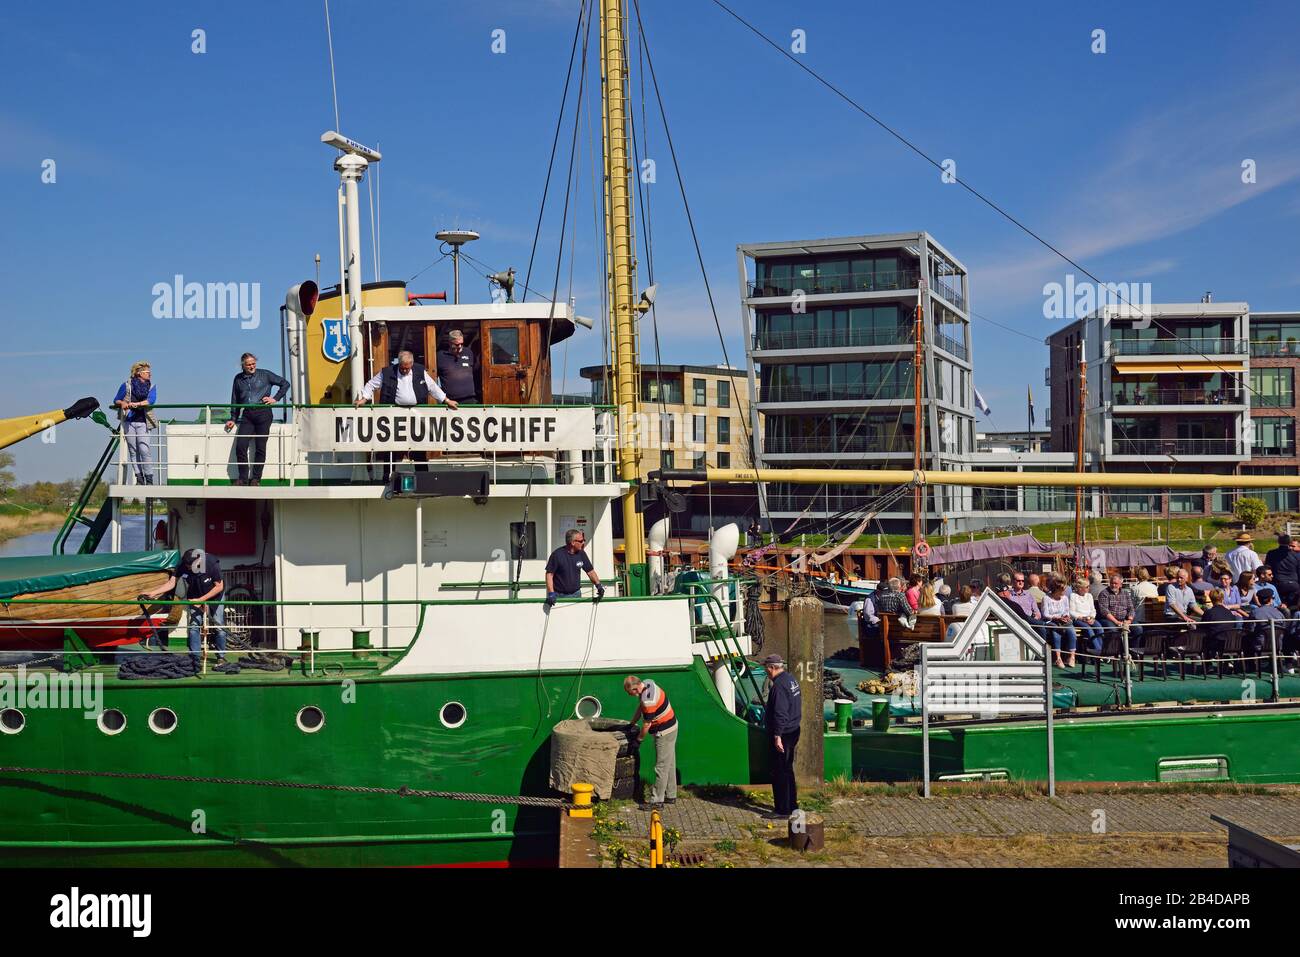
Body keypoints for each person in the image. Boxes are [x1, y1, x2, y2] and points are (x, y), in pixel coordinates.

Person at [139, 548, 228, 668]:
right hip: (195, 596)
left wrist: (202, 601)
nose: (188, 568)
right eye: (187, 565)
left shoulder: (211, 563)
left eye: (190, 566)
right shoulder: (183, 565)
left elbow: (219, 587)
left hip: (214, 596)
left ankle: (221, 657)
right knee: (193, 627)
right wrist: (153, 593)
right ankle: (195, 658)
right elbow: (172, 583)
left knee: (219, 627)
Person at [223, 353, 290, 486]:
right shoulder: (238, 379)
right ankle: (242, 478)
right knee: (241, 446)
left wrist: (275, 398)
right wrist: (233, 418)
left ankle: (256, 479)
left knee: (260, 447)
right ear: (243, 365)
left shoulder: (265, 374)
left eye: (253, 363)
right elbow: (235, 399)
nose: (252, 366)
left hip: (263, 414)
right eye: (248, 364)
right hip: (247, 415)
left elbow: (285, 384)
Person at [624, 675, 677, 809]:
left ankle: (657, 802)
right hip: (672, 725)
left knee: (661, 767)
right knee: (669, 763)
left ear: (636, 688)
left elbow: (646, 725)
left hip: (664, 731)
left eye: (629, 693)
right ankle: (671, 795)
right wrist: (631, 724)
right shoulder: (648, 683)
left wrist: (638, 740)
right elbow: (640, 708)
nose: (629, 695)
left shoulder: (648, 701)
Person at [762, 654, 802, 819]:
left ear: (772, 667)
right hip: (793, 729)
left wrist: (777, 735)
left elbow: (780, 713)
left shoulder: (778, 687)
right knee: (788, 770)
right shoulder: (791, 680)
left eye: (766, 668)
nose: (766, 671)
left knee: (779, 772)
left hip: (784, 734)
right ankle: (792, 805)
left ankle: (782, 810)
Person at [112, 360, 157, 485]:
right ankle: (139, 477)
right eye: (147, 372)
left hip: (143, 421)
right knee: (133, 450)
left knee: (144, 449)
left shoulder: (151, 386)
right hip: (129, 420)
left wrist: (136, 404)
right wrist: (123, 403)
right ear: (139, 373)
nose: (150, 374)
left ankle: (149, 478)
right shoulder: (127, 385)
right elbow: (116, 400)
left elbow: (151, 400)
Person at [544, 528, 604, 606]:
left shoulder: (581, 554)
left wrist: (599, 586)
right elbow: (549, 575)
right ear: (572, 542)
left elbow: (590, 572)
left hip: (576, 595)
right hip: (559, 596)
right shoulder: (557, 555)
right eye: (581, 541)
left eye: (583, 540)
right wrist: (551, 593)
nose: (583, 542)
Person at [1038, 578, 1077, 668]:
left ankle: (1072, 657)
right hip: (1051, 621)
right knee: (1056, 633)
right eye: (1063, 589)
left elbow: (1066, 611)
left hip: (1063, 621)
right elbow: (1045, 614)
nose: (1065, 591)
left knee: (1071, 631)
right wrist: (1056, 617)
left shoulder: (1065, 598)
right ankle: (1058, 658)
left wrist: (1065, 616)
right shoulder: (1046, 598)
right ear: (1056, 589)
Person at [1097, 572, 1143, 646]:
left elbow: (1131, 608)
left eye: (1116, 583)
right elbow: (1104, 611)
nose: (1113, 585)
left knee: (1138, 628)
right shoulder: (1104, 593)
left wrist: (1129, 620)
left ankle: (1133, 650)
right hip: (1109, 619)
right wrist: (1117, 622)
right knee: (1113, 630)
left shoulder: (1125, 593)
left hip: (1124, 619)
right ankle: (1114, 651)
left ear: (1120, 584)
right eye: (1112, 583)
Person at [436, 329, 480, 404]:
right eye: (456, 344)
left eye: (461, 344)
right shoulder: (440, 356)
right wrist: (445, 399)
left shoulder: (469, 352)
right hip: (451, 401)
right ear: (450, 343)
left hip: (470, 399)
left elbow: (476, 372)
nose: (460, 346)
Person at [1265, 534, 1300, 607]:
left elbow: (1267, 568)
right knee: (1292, 606)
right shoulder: (1296, 555)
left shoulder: (1271, 553)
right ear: (1290, 542)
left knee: (1279, 605)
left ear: (1278, 541)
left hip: (1277, 583)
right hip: (1293, 584)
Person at [1070, 578, 1103, 653]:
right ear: (1080, 588)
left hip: (1089, 618)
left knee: (1099, 627)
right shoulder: (1073, 596)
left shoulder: (1089, 596)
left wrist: (1092, 617)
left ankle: (1102, 649)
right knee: (1088, 629)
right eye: (1087, 586)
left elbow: (1093, 610)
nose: (1089, 588)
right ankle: (1099, 651)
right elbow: (1071, 611)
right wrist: (1082, 618)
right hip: (1078, 619)